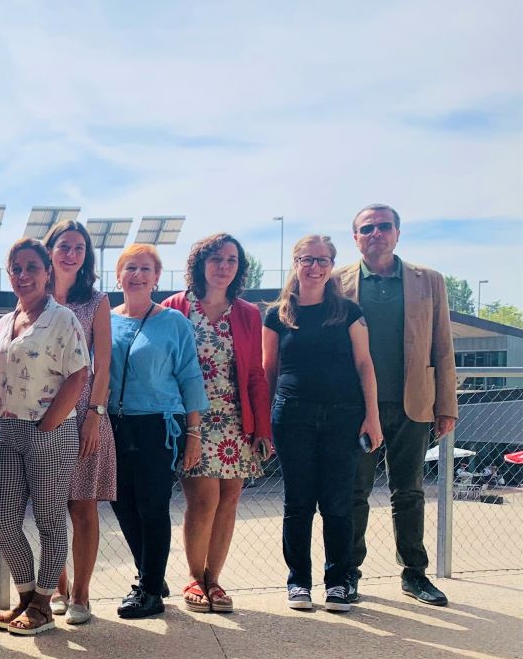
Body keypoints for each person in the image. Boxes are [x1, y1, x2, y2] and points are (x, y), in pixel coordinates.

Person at [337, 204, 457, 607]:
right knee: (354, 493)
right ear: (355, 238)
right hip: (357, 407)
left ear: (398, 232)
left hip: (415, 404)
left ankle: (415, 575)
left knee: (409, 492)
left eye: (383, 226)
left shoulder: (430, 281)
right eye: (366, 228)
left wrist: (447, 405)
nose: (376, 233)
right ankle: (347, 573)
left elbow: (443, 344)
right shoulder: (338, 283)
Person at [264, 235, 383, 613]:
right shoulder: (277, 314)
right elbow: (269, 370)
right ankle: (298, 582)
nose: (314, 267)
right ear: (295, 263)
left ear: (332, 266)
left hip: (342, 417)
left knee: (337, 504)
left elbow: (365, 364)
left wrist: (372, 416)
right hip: (292, 416)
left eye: (322, 260)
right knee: (297, 503)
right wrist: (264, 424)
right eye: (306, 259)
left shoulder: (348, 312)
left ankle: (338, 582)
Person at [163, 233, 272, 614]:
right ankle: (195, 577)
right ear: (199, 264)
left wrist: (262, 428)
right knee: (204, 497)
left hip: (234, 419)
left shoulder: (247, 313)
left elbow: (256, 374)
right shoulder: (175, 308)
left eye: (231, 260)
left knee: (230, 498)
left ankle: (215, 580)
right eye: (216, 259)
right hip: (192, 419)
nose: (224, 266)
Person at [0, 238, 90, 636]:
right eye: (16, 268)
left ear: (48, 273)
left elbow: (80, 374)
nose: (24, 275)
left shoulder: (62, 318)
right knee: (3, 519)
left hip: (48, 429)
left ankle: (45, 604)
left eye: (32, 267)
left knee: (49, 520)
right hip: (8, 429)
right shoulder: (4, 322)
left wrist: (48, 424)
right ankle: (27, 594)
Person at [107, 244, 207, 619]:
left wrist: (194, 434)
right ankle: (153, 572)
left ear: (156, 277)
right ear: (118, 276)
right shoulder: (107, 319)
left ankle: (149, 591)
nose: (137, 274)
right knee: (120, 502)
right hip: (114, 424)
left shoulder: (173, 323)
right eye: (130, 267)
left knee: (151, 505)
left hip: (159, 424)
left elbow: (189, 376)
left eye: (146, 268)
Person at [43, 221, 115, 626]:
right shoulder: (34, 295)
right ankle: (58, 586)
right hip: (42, 412)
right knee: (49, 505)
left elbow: (102, 364)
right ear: (50, 250)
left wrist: (94, 415)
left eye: (80, 248)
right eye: (64, 246)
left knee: (82, 505)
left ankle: (82, 594)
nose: (71, 254)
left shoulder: (96, 300)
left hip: (86, 411)